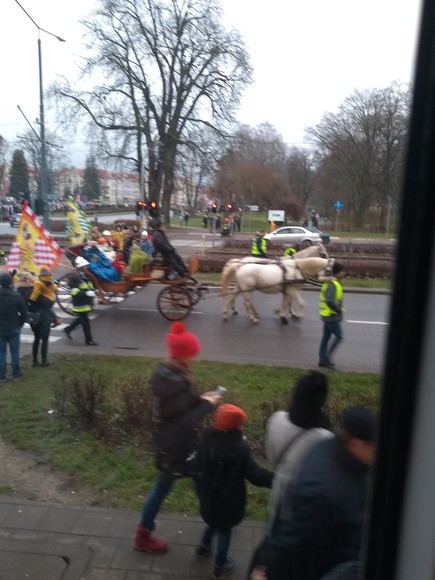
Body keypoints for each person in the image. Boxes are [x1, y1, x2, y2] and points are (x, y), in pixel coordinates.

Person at [251, 405, 376, 580]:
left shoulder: (328, 447)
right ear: (355, 443)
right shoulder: (327, 491)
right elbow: (294, 541)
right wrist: (270, 574)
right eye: (372, 447)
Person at [133, 321, 221, 554]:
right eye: (192, 355)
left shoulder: (168, 373)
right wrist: (208, 405)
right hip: (180, 445)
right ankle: (216, 520)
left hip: (170, 441)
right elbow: (185, 419)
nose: (195, 359)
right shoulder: (177, 382)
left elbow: (177, 409)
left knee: (166, 485)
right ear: (183, 356)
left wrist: (201, 399)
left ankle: (143, 533)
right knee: (200, 480)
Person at [196, 403, 273, 579]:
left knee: (213, 523)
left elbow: (197, 464)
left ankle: (204, 546)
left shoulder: (205, 441)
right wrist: (274, 479)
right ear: (237, 426)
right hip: (230, 501)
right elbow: (254, 474)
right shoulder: (239, 449)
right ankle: (220, 565)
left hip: (210, 496)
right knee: (225, 531)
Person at [265, 371, 333, 531]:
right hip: (308, 500)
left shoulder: (276, 419)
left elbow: (271, 457)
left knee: (275, 530)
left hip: (279, 490)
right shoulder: (326, 438)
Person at [28, 266, 58, 367]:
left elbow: (35, 293)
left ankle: (35, 361)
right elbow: (55, 289)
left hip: (36, 316)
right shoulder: (49, 283)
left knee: (36, 339)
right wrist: (53, 284)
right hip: (45, 316)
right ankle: (44, 360)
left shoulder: (37, 283)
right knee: (45, 340)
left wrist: (31, 300)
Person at [0, 273, 27, 382]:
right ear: (11, 283)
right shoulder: (16, 296)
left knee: (1, 353)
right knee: (15, 352)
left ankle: (1, 375)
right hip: (14, 327)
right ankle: (16, 374)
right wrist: (19, 324)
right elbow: (24, 313)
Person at [319, 261, 345, 369]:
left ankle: (322, 359)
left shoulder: (331, 282)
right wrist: (339, 310)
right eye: (343, 271)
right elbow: (329, 301)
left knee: (326, 337)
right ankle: (326, 359)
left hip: (327, 315)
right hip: (331, 316)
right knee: (339, 337)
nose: (344, 273)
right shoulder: (333, 284)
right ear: (338, 272)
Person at [63, 274, 98, 346]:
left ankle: (68, 329)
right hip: (81, 306)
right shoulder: (73, 283)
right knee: (86, 324)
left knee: (81, 320)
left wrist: (88, 282)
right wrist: (86, 293)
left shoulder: (84, 280)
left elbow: (90, 288)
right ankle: (89, 340)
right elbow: (75, 292)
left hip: (86, 304)